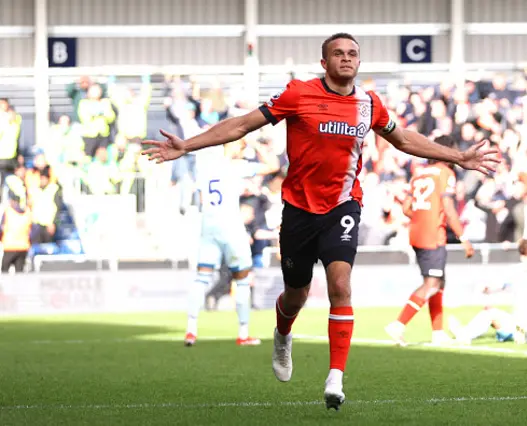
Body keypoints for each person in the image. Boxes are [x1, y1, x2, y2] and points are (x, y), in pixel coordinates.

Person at [142, 33, 499, 410]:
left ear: (359, 62)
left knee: (340, 285)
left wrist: (457, 156)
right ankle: (283, 334)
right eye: (338, 54)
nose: (346, 59)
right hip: (298, 210)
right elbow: (243, 125)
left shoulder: (369, 104)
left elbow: (405, 140)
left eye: (353, 54)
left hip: (342, 207)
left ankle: (335, 378)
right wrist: (187, 145)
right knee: (295, 294)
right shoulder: (298, 94)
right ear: (324, 63)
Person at [185, 137, 280, 347]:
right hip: (231, 226)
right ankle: (243, 333)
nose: (244, 150)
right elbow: (274, 166)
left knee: (201, 278)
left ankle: (191, 331)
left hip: (208, 227)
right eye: (242, 146)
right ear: (234, 145)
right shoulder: (237, 167)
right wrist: (257, 145)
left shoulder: (206, 168)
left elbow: (200, 199)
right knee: (243, 279)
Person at [385, 135, 475, 346]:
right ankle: (398, 325)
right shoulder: (446, 174)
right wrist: (463, 238)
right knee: (432, 283)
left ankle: (438, 333)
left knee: (439, 282)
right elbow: (450, 210)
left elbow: (407, 208)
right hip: (433, 236)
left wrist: (422, 218)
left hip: (416, 233)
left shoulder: (418, 174)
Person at [448, 239, 527, 344]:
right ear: (523, 258)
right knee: (489, 313)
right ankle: (464, 335)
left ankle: (523, 331)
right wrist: (486, 288)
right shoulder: (515, 271)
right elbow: (498, 286)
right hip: (520, 320)